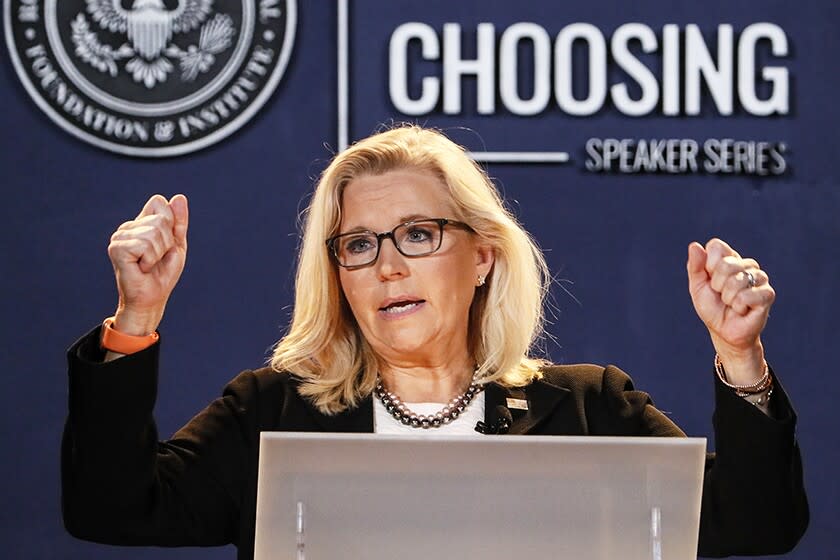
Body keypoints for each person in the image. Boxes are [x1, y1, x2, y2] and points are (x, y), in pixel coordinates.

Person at [62, 125, 808, 559]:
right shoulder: (271, 413)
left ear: (482, 254)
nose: (387, 266)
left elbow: (760, 526)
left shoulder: (589, 409)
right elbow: (111, 509)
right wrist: (135, 319)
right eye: (358, 245)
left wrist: (740, 358)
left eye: (418, 235)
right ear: (339, 275)